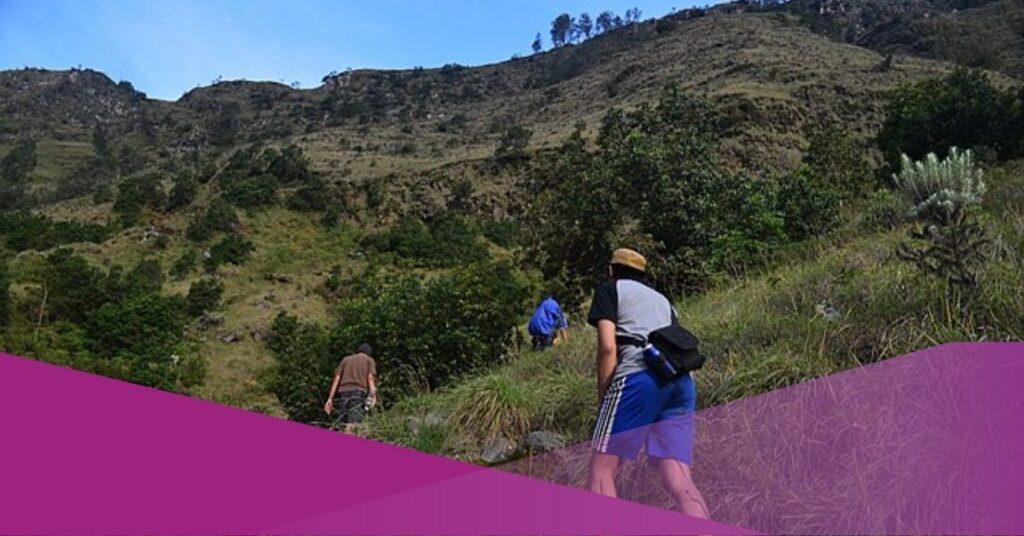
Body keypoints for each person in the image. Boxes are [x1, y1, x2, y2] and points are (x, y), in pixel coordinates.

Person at [586, 248, 709, 518]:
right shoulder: (664, 301)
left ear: (611, 269)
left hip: (638, 377)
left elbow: (608, 348)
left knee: (602, 471)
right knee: (680, 481)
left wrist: (605, 397)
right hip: (680, 383)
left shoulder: (610, 290)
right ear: (643, 274)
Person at [323, 343, 378, 433]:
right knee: (354, 424)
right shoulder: (369, 360)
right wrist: (373, 396)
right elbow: (370, 378)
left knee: (341, 424)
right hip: (358, 393)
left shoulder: (345, 360)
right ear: (369, 353)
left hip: (343, 393)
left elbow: (336, 379)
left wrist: (330, 399)